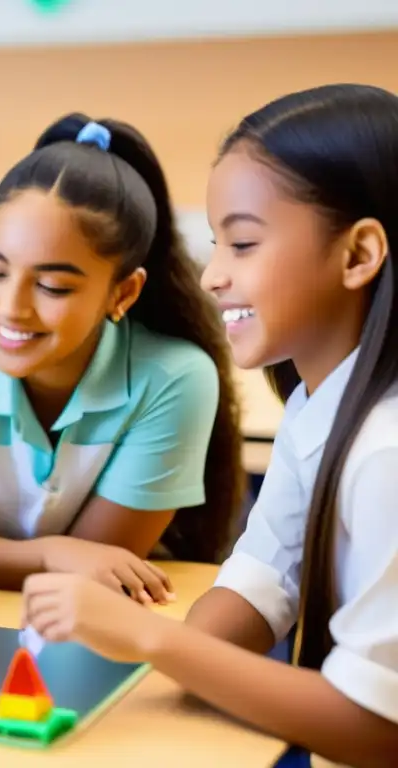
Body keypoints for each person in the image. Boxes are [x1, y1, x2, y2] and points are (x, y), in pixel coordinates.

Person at [22, 84, 398, 766]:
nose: (211, 274)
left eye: (244, 243)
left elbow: (378, 728)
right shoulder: (321, 407)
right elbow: (262, 578)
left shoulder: (386, 455)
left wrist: (150, 639)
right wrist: (175, 656)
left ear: (358, 255)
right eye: (216, 241)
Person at [0, 113, 244, 594]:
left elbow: (99, 573)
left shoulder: (175, 378)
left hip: (99, 622)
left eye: (52, 286)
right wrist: (52, 554)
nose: (12, 308)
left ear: (122, 294)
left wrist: (32, 560)